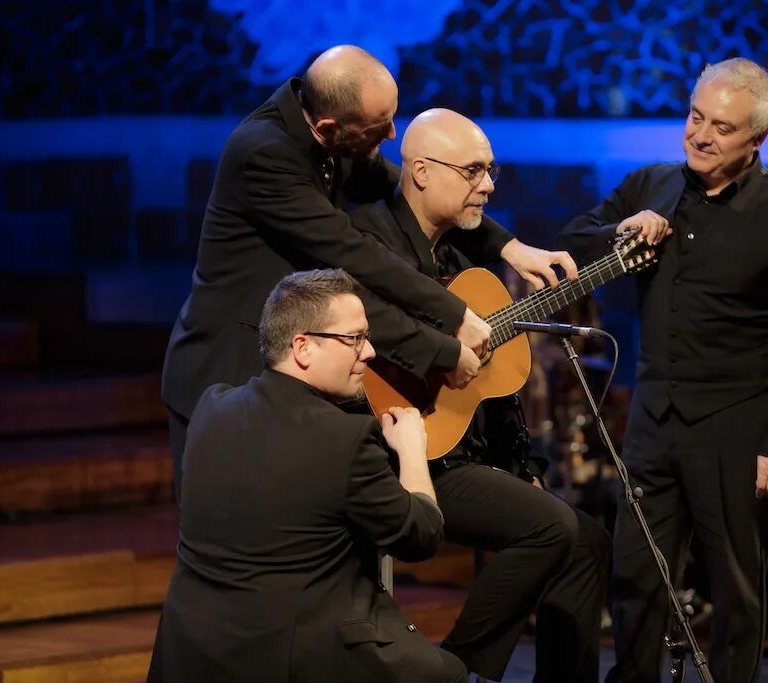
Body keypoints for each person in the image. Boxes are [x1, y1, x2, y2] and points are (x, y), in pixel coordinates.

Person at [161, 44, 574, 500]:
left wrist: (509, 247)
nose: (393, 135)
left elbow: (412, 190)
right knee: (230, 533)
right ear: (329, 127)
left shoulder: (335, 133)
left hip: (285, 371)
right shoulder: (263, 155)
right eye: (381, 128)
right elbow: (352, 250)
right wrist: (455, 316)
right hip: (226, 368)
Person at [556, 58, 768, 683]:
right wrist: (622, 231)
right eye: (695, 117)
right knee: (634, 574)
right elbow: (574, 237)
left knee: (735, 588)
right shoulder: (652, 184)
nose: (701, 135)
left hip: (735, 428)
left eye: (722, 128)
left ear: (757, 140)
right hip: (654, 419)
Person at [350, 108, 611, 683]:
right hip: (402, 448)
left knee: (588, 538)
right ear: (419, 172)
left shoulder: (463, 253)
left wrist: (521, 468)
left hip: (466, 450)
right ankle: (455, 667)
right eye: (473, 171)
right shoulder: (368, 241)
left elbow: (491, 391)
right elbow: (372, 326)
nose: (488, 185)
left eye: (491, 170)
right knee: (551, 528)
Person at [149, 269, 466, 683]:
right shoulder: (346, 439)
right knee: (449, 674)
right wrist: (411, 451)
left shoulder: (211, 408)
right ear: (302, 347)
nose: (369, 352)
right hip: (289, 657)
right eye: (354, 338)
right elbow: (420, 536)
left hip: (190, 652)